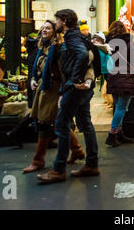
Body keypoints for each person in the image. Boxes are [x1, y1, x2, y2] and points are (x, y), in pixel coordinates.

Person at [37, 9, 99, 184]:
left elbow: (81, 54)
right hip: (82, 89)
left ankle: (58, 169)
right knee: (85, 124)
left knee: (61, 125)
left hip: (74, 89)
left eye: (57, 20)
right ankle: (92, 164)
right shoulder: (78, 36)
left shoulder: (71, 37)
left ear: (64, 21)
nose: (55, 23)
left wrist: (74, 78)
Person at [23, 21, 85, 174]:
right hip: (44, 89)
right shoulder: (42, 48)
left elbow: (65, 72)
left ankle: (38, 160)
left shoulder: (58, 49)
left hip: (54, 89)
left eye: (48, 28)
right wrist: (33, 79)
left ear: (55, 32)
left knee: (45, 123)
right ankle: (76, 150)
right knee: (60, 122)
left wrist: (63, 93)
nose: (44, 30)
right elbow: (36, 68)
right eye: (43, 28)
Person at [105, 21, 134, 147]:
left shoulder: (107, 44)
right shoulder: (128, 42)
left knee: (119, 106)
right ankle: (112, 135)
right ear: (124, 30)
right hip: (125, 78)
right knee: (122, 108)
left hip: (112, 77)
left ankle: (119, 133)